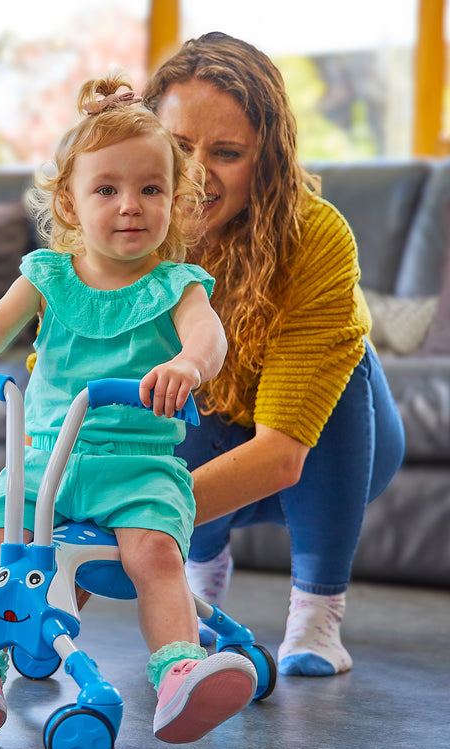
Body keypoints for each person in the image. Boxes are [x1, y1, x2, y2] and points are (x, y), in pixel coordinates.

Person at [0, 70, 259, 743]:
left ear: (175, 200)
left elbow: (209, 338)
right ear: (72, 205)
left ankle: (177, 673)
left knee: (156, 556)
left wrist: (185, 366)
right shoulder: (46, 275)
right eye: (107, 189)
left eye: (150, 189)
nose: (129, 205)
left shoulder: (176, 284)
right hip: (44, 461)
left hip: (136, 464)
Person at [141, 32, 405, 676]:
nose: (194, 174)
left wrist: (143, 523)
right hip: (212, 447)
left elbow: (284, 452)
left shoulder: (316, 236)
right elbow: (69, 385)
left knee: (347, 363)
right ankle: (196, 586)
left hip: (323, 455)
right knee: (165, 390)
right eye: (177, 148)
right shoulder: (124, 227)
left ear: (267, 161)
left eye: (226, 153)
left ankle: (317, 618)